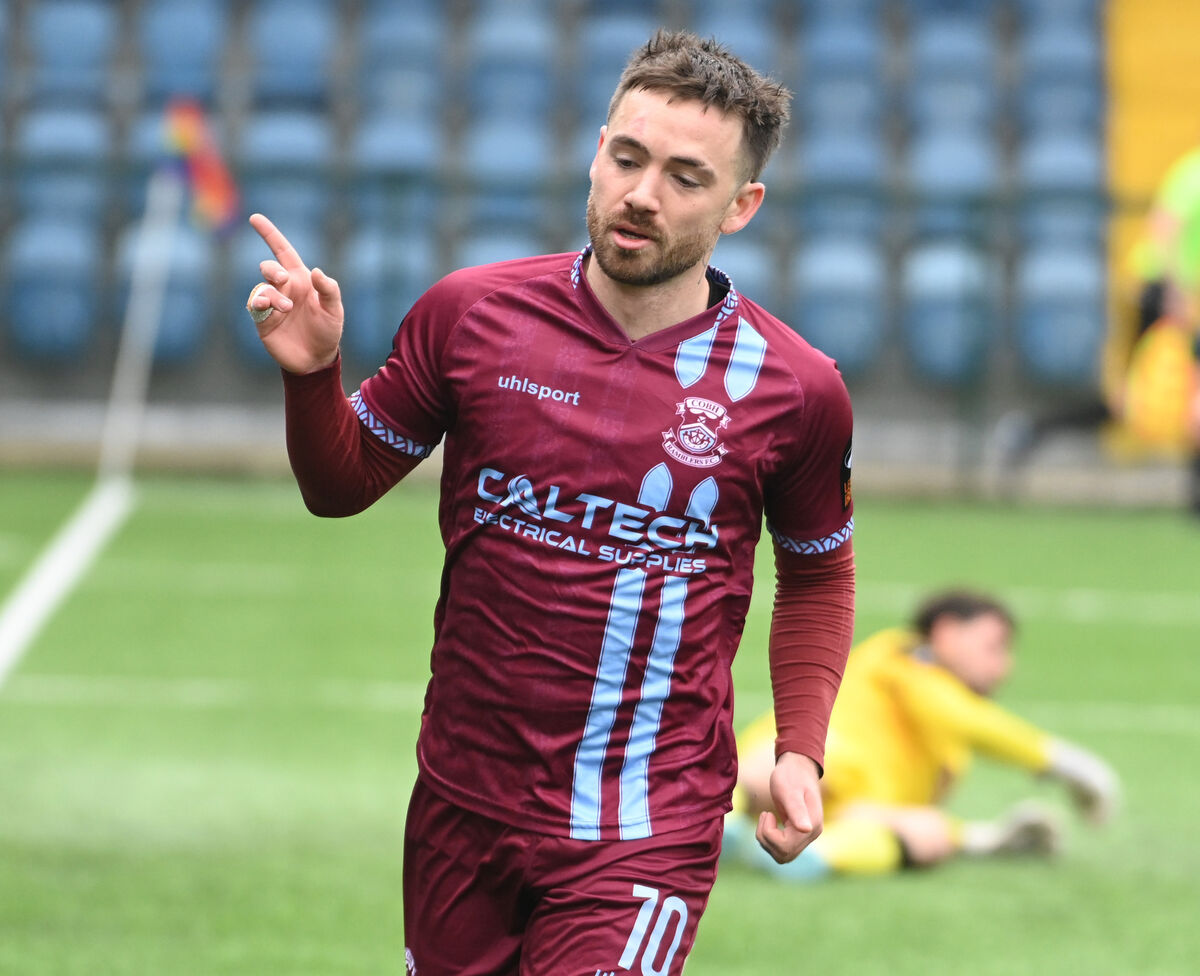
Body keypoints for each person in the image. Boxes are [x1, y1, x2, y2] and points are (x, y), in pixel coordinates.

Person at [243, 31, 855, 976]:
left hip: (645, 823)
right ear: (597, 151)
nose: (643, 194)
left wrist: (801, 752)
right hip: (460, 802)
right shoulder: (470, 315)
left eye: (687, 177)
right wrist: (315, 376)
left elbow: (817, 577)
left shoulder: (796, 387)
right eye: (628, 157)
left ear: (742, 206)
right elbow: (341, 485)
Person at [723, 591, 1119, 882]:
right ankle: (720, 822)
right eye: (994, 646)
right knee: (765, 773)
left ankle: (818, 858)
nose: (1005, 665)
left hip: (856, 809)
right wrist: (1068, 764)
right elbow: (962, 718)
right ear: (946, 632)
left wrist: (986, 837)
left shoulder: (950, 743)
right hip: (807, 769)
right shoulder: (903, 656)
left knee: (928, 831)